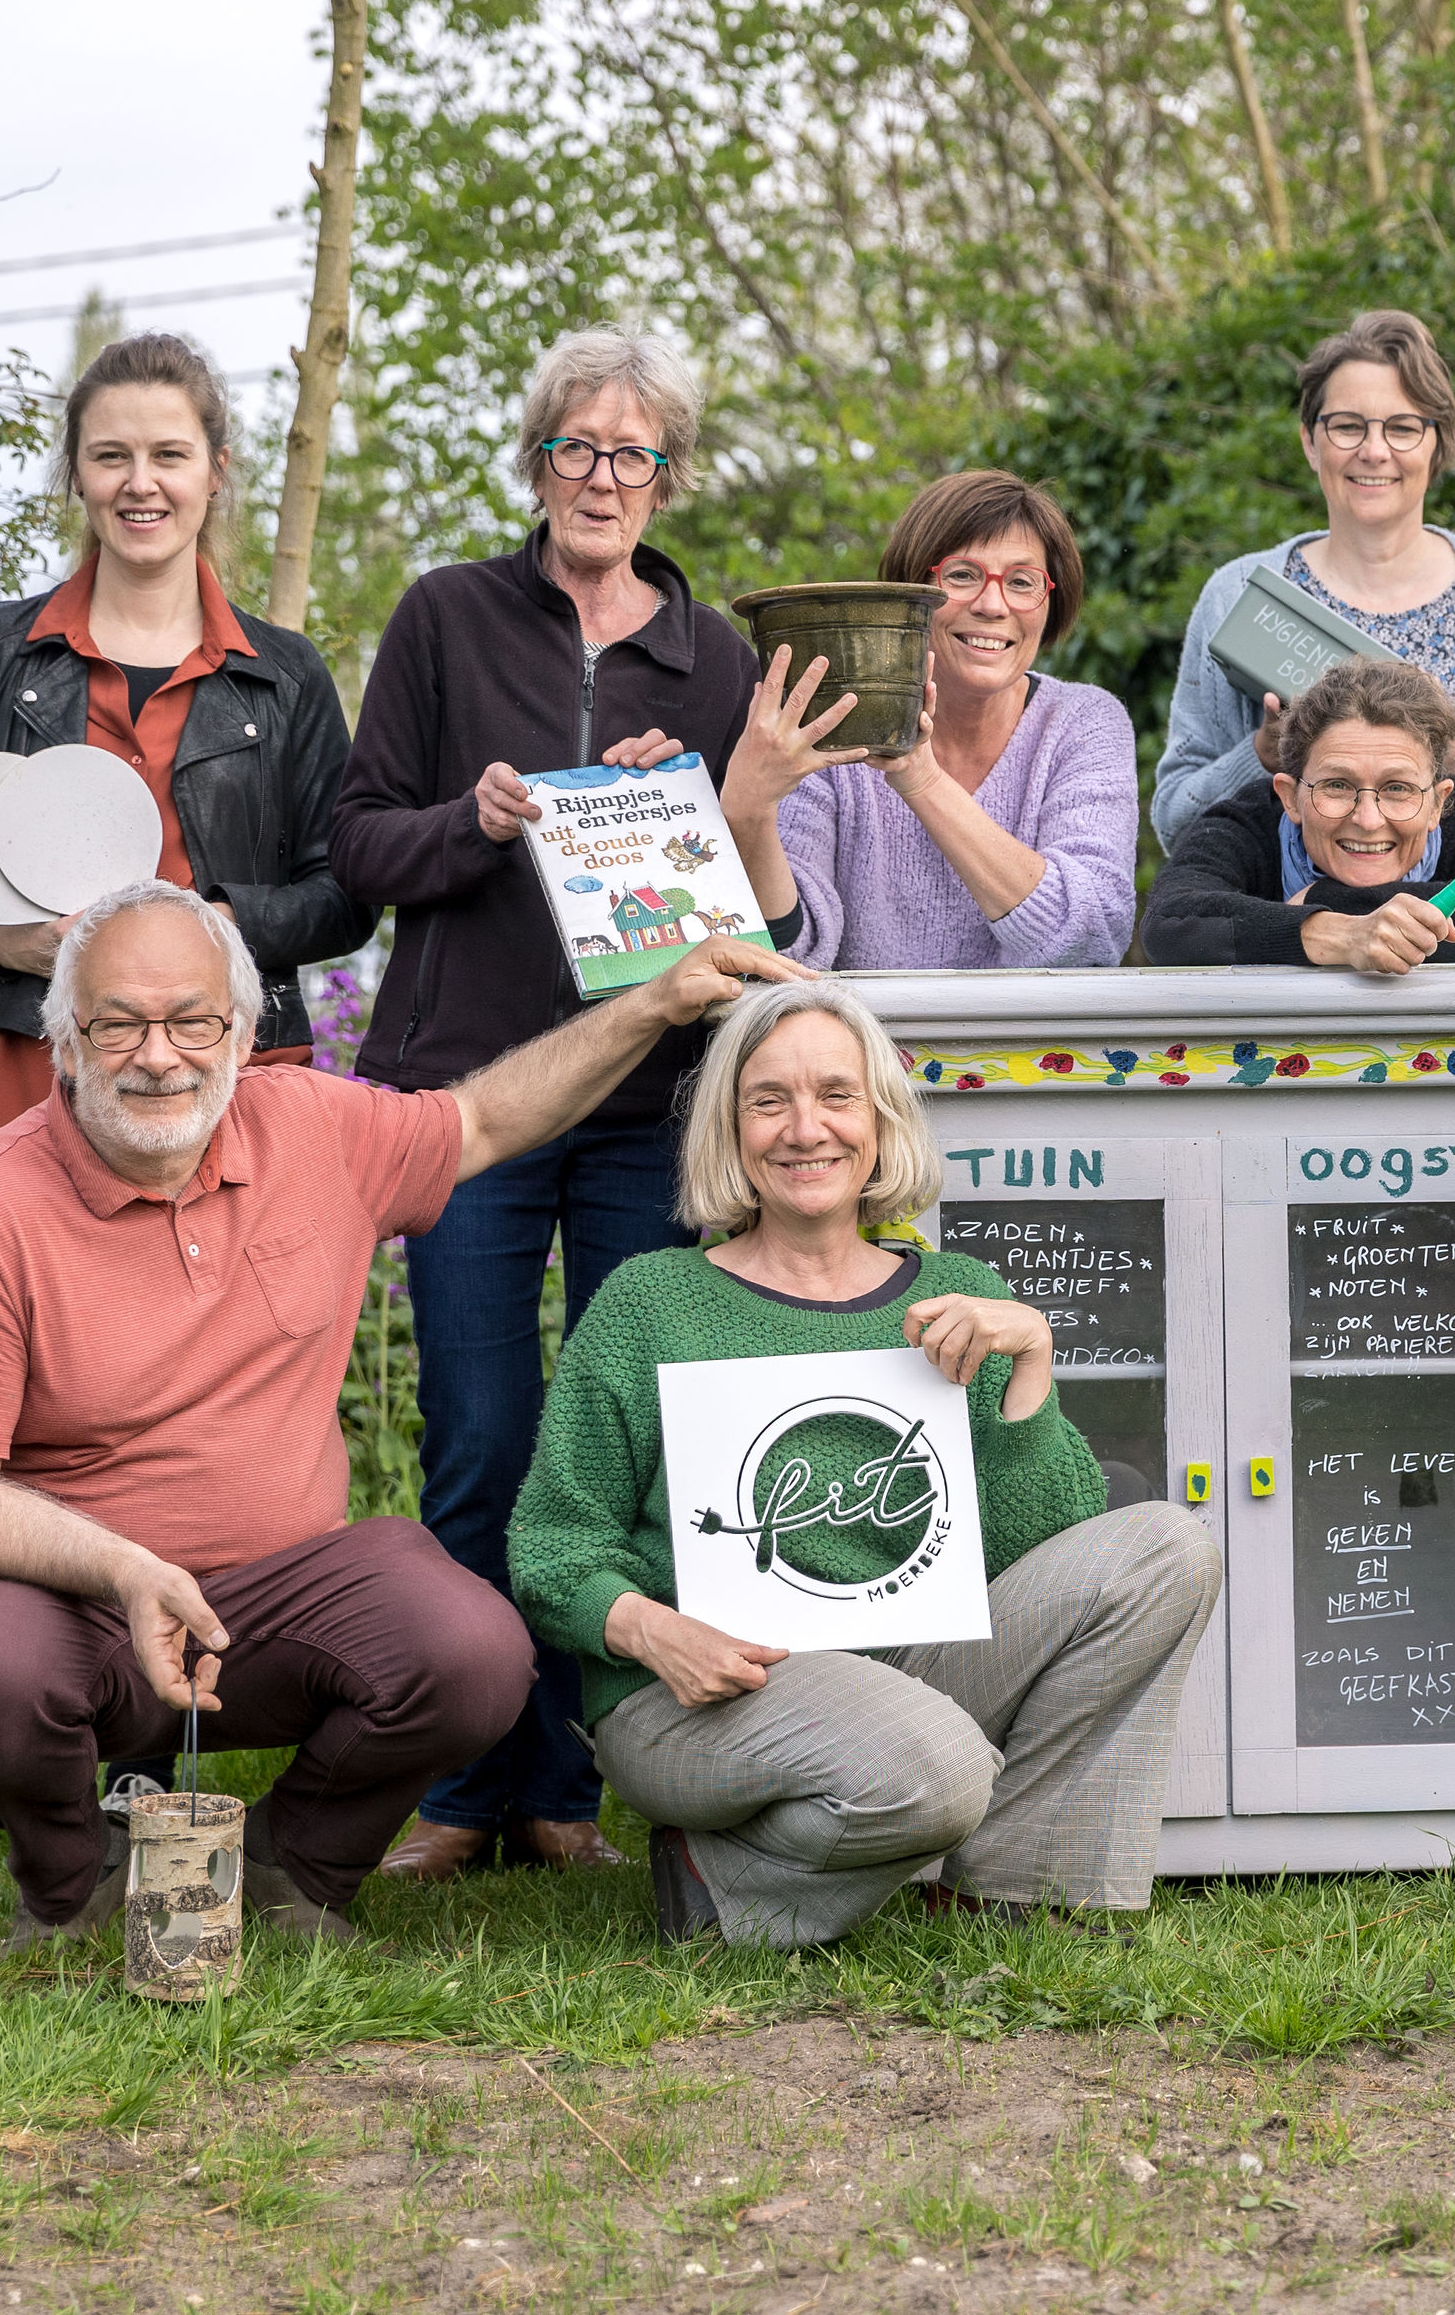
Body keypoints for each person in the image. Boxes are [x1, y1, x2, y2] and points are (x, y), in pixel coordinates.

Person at [0, 880, 796, 1949]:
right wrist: (125, 1568)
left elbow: (491, 1115)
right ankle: (71, 1888)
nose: (159, 1055)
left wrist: (652, 1005)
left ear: (241, 1031)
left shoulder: (314, 1128)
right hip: (77, 1607)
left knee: (471, 1649)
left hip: (280, 1596)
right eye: (118, 1022)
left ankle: (292, 1868)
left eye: (192, 1021)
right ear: (65, 1046)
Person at [0, 332, 374, 1888]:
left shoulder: (282, 676)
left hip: (229, 1080)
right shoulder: (0, 653)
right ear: (77, 474)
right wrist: (8, 939)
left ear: (216, 471)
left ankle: (122, 1754)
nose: (141, 482)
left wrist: (204, 928)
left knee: (199, 1421)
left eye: (170, 453)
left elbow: (346, 890)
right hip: (37, 1062)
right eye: (112, 454)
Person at [330, 328, 850, 1883]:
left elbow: (767, 918)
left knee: (625, 1447)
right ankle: (467, 1786)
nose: (603, 478)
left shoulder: (716, 659)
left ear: (668, 476)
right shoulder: (445, 617)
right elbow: (360, 850)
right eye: (577, 447)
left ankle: (576, 1786)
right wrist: (475, 818)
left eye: (634, 455)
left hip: (651, 1102)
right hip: (475, 1102)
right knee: (483, 1437)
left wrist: (696, 802)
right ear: (536, 462)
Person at [506, 979, 1222, 1946]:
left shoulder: (958, 1297)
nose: (807, 1130)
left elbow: (1030, 1550)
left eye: (837, 1096)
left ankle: (1016, 1888)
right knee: (942, 1771)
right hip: (706, 1690)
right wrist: (649, 1631)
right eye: (770, 1101)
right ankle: (728, 1876)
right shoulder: (651, 1302)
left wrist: (1029, 1368)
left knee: (1166, 1548)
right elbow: (553, 1545)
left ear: (882, 1122)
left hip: (901, 1659)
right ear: (730, 1128)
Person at [1148, 311, 1455, 852]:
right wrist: (1257, 761)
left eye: (1402, 427)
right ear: (1310, 441)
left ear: (1436, 444)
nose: (1374, 451)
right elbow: (1173, 823)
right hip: (1294, 933)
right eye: (1348, 426)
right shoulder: (1236, 595)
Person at [751, 470, 1138, 969]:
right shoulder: (831, 724)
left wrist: (922, 779)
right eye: (961, 575)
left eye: (1022, 582)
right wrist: (748, 813)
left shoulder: (1084, 722)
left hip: (1034, 1046)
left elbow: (1091, 936)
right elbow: (790, 955)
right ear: (908, 595)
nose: (993, 605)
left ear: (1052, 603)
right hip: (862, 1041)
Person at [1138, 659, 1455, 971]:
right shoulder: (1248, 820)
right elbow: (1171, 922)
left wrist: (1320, 899)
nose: (1368, 820)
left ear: (1438, 803)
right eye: (1337, 786)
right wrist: (1335, 933)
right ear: (1290, 797)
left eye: (1398, 789)